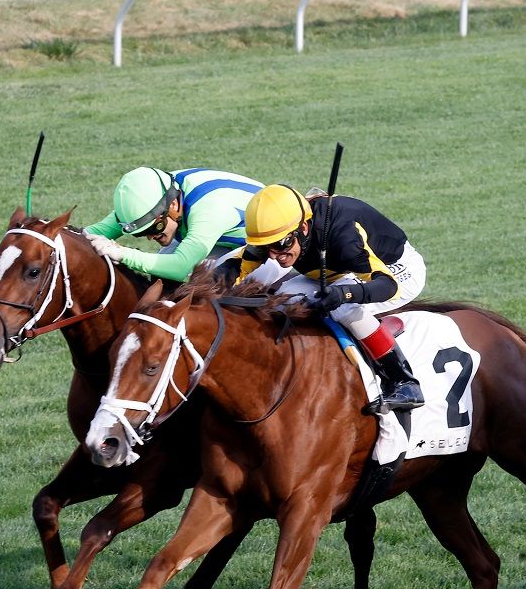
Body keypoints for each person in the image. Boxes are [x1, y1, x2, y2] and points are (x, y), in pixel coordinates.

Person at [237, 183, 426, 412]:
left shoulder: (343, 238)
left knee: (342, 308)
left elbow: (387, 286)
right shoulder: (276, 238)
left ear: (303, 229)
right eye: (266, 248)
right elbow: (238, 270)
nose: (275, 256)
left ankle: (404, 381)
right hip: (339, 271)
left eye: (281, 245)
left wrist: (343, 294)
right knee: (283, 297)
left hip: (394, 271)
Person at [84, 166, 263, 283]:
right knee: (161, 277)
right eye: (141, 233)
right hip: (219, 238)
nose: (150, 238)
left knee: (207, 286)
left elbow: (180, 267)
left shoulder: (209, 210)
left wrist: (123, 254)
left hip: (269, 249)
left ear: (173, 205)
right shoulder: (154, 197)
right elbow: (90, 233)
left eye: (156, 228)